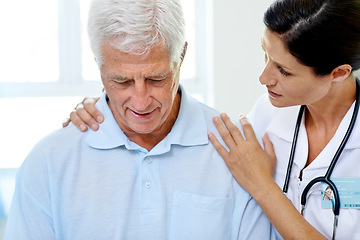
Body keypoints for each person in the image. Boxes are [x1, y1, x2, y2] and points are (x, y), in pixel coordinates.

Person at [66, 0, 360, 239]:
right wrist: (109, 103)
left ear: (338, 73)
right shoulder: (266, 117)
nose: (263, 77)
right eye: (265, 55)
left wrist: (262, 185)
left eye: (284, 71)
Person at [4, 0, 275, 239]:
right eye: (121, 81)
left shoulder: (237, 151)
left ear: (181, 57)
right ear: (99, 66)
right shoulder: (50, 161)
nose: (141, 101)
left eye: (156, 78)